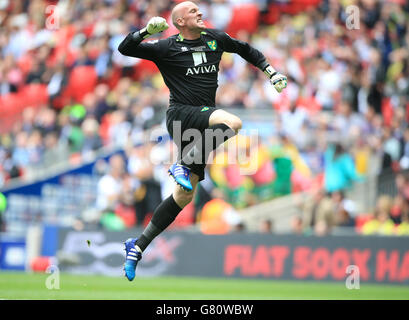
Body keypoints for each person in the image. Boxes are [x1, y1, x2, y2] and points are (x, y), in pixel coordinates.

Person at [117, 0, 287, 281]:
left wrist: (270, 71)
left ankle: (138, 245)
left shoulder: (215, 38)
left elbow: (246, 49)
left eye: (199, 9)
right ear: (180, 22)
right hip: (181, 115)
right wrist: (146, 31)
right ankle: (181, 164)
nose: (200, 12)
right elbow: (125, 48)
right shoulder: (166, 47)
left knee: (185, 195)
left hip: (201, 121)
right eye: (193, 11)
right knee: (233, 122)